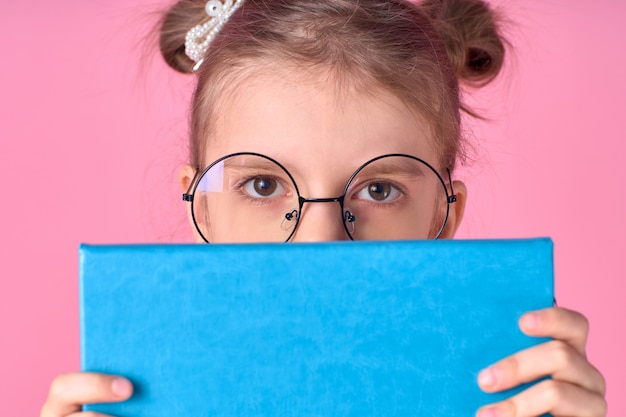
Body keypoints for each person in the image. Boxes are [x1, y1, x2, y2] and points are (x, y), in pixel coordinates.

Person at [40, 0, 607, 416]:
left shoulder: (500, 392)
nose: (319, 240)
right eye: (262, 186)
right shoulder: (136, 392)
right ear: (200, 207)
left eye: (379, 190)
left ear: (444, 217)